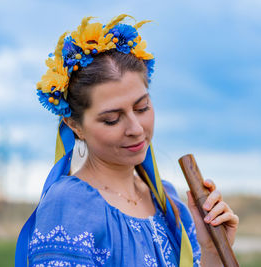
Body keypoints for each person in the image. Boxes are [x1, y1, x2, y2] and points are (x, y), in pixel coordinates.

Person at [15, 14, 239, 267]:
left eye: (142, 107)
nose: (135, 128)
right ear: (74, 125)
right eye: (112, 119)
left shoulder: (169, 202)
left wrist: (211, 251)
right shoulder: (71, 205)